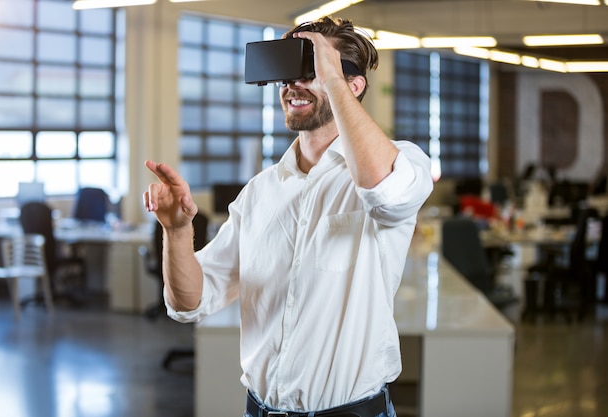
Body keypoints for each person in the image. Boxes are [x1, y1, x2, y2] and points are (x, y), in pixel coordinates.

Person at [144, 16, 433, 417]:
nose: (292, 86)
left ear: (353, 85)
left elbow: (384, 194)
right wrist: (177, 232)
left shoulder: (402, 161)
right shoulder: (260, 192)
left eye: (308, 71)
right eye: (286, 76)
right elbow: (189, 302)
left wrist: (329, 73)